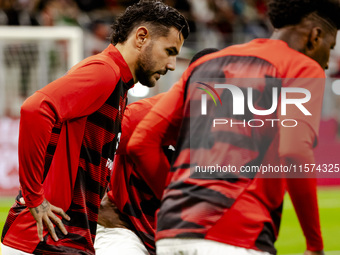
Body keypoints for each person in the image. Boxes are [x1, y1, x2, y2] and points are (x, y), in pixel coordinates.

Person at [127, 0, 340, 255]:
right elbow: (295, 150)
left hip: (173, 232)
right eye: (331, 47)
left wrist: (184, 202)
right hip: (236, 232)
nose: (327, 62)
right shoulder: (302, 67)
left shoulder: (205, 63)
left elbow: (141, 143)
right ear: (316, 36)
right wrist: (315, 244)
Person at [0, 1, 189, 254]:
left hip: (63, 237)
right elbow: (35, 109)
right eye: (169, 51)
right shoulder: (105, 72)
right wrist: (34, 198)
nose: (172, 65)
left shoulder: (118, 85)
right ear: (141, 37)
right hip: (43, 238)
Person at [93, 48, 219, 255]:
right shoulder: (142, 116)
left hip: (177, 236)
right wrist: (39, 193)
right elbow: (84, 147)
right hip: (125, 228)